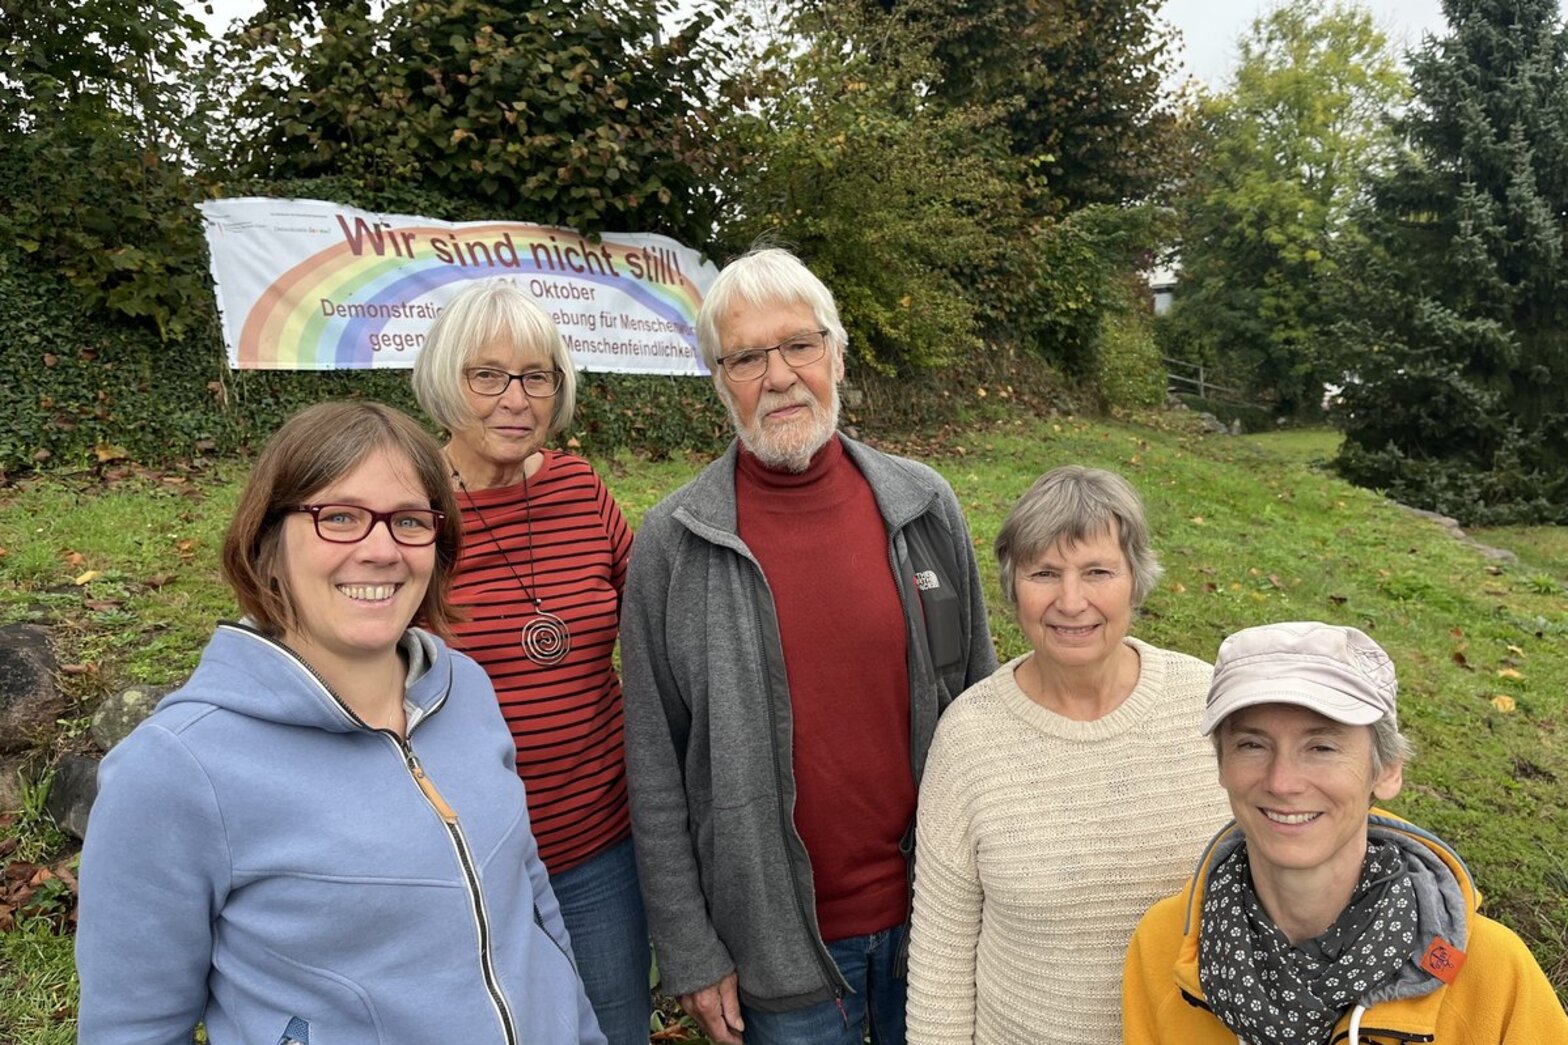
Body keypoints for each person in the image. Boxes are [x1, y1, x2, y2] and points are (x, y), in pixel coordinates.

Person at [75, 401, 605, 1045]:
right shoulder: (178, 769)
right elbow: (131, 1027)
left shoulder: (466, 689)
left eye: (409, 521)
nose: (380, 550)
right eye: (340, 517)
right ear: (267, 546)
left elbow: (530, 900)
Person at [620, 246, 997, 1045]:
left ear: (836, 351)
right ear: (720, 381)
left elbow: (983, 705)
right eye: (748, 357)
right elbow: (654, 765)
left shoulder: (923, 505)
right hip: (776, 947)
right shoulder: (675, 542)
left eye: (800, 343)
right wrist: (689, 946)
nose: (781, 375)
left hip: (937, 919)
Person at [905, 465, 1233, 1045]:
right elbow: (941, 958)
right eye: (1044, 573)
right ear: (1013, 587)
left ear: (1136, 579)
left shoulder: (1211, 708)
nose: (1071, 601)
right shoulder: (968, 737)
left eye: (1098, 571)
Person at [1123, 621, 1568, 1044]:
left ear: (1387, 770)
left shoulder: (1491, 973)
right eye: (1252, 745)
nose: (1282, 781)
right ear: (1222, 765)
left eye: (1322, 747)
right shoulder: (1165, 945)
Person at [411, 280, 648, 1045]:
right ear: (448, 381)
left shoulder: (579, 488)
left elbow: (648, 609)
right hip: (469, 859)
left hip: (596, 839)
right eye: (489, 375)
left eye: (536, 376)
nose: (516, 398)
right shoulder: (411, 510)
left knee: (615, 1030)